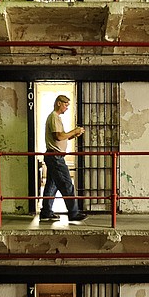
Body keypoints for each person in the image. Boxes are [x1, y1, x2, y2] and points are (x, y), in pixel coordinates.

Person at [40, 95, 88, 223]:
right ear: (58, 103)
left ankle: (46, 212)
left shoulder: (55, 117)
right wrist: (74, 131)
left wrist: (73, 135)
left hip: (53, 156)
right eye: (66, 104)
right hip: (55, 157)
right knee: (67, 184)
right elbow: (59, 137)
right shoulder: (54, 117)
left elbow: (61, 137)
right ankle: (73, 213)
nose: (67, 108)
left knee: (52, 185)